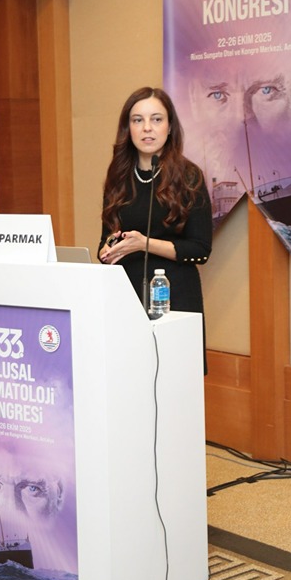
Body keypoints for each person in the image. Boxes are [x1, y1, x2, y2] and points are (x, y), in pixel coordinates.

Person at [98, 86, 213, 370]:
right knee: (130, 378)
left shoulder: (189, 176)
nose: (147, 128)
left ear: (170, 127)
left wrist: (144, 244)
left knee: (175, 380)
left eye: (156, 119)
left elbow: (200, 250)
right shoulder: (118, 176)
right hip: (126, 295)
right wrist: (107, 250)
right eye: (137, 120)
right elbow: (104, 240)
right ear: (128, 128)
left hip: (176, 295)